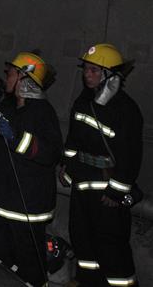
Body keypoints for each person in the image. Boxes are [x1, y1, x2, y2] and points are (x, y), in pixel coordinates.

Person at [61, 43, 142, 287]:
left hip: (107, 196)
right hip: (82, 188)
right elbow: (73, 142)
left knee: (111, 250)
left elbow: (130, 156)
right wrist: (67, 169)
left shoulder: (126, 110)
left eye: (94, 70)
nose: (87, 74)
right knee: (83, 245)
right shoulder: (83, 101)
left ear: (110, 76)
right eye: (86, 68)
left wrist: (116, 191)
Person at [0, 52, 62, 287]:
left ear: (25, 79)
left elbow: (51, 153)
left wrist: (17, 138)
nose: (7, 77)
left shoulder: (43, 113)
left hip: (27, 207)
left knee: (30, 265)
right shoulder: (9, 106)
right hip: (0, 200)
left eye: (11, 74)